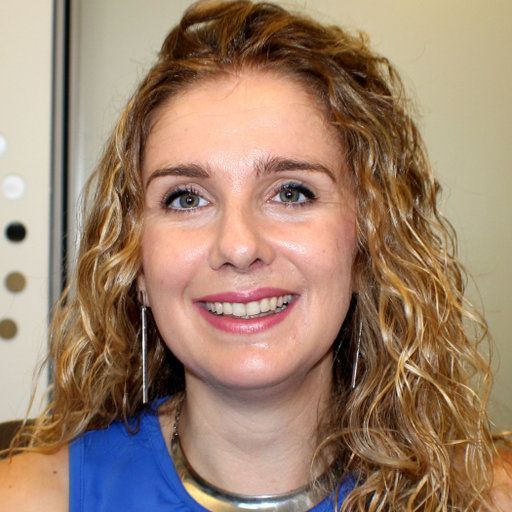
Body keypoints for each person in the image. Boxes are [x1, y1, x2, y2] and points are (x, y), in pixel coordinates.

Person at [0, 1, 511, 510]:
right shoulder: (26, 498)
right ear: (133, 264)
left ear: (368, 242)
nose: (239, 246)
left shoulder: (486, 497)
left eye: (291, 192)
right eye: (186, 198)